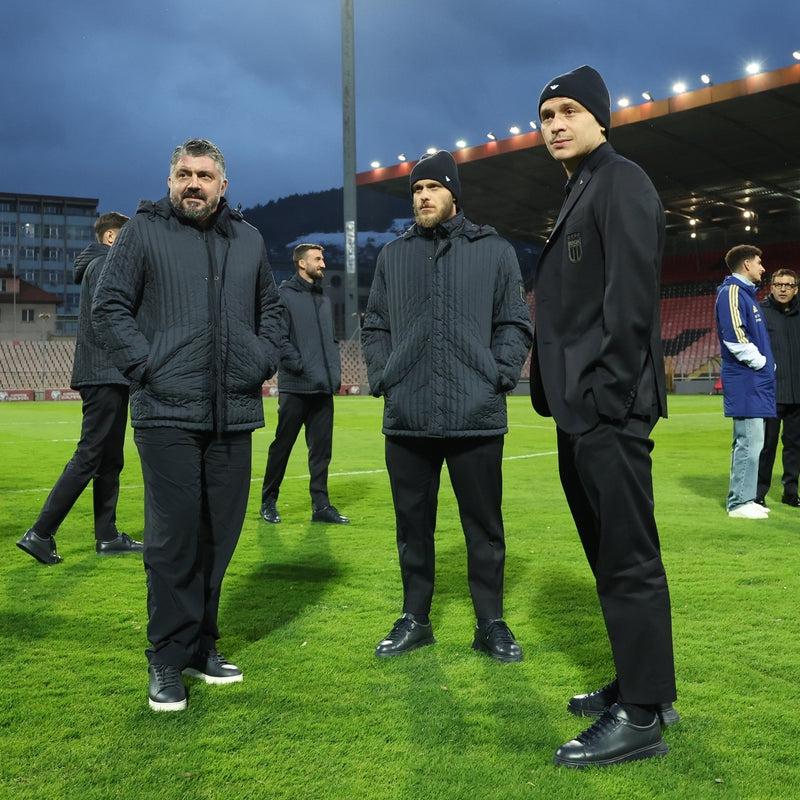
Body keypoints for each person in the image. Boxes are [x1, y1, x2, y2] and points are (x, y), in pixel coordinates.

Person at [93, 138, 282, 712]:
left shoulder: (248, 238)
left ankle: (201, 645)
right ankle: (166, 659)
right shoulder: (143, 233)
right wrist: (148, 366)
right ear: (169, 180)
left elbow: (270, 309)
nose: (193, 183)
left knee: (218, 538)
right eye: (183, 174)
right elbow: (109, 308)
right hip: (167, 412)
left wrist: (260, 358)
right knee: (174, 541)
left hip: (234, 413)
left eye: (204, 175)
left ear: (223, 185)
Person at [531, 66, 677, 767]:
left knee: (629, 559)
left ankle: (643, 716)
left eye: (566, 111)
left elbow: (630, 301)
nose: (554, 124)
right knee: (608, 556)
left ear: (600, 119)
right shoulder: (581, 188)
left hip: (605, 411)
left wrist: (604, 399)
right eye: (545, 115)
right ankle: (637, 683)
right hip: (580, 411)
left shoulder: (623, 181)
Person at [362, 149, 532, 663]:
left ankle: (490, 623)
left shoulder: (495, 251)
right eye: (416, 190)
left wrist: (498, 374)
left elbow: (514, 322)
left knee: (484, 528)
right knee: (412, 527)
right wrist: (384, 374)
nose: (422, 197)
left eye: (432, 188)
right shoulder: (393, 256)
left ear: (453, 194)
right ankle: (415, 619)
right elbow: (374, 325)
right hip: (408, 416)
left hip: (474, 413)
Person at [16, 212, 141, 565]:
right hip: (104, 372)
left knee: (109, 459)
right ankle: (40, 533)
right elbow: (112, 318)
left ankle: (107, 536)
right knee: (90, 455)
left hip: (108, 373)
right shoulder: (104, 268)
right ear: (113, 238)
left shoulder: (98, 266)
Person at [259, 243, 349, 526]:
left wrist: (333, 375)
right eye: (318, 259)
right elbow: (279, 339)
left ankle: (321, 505)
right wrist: (299, 366)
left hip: (322, 387)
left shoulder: (323, 299)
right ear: (301, 263)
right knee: (282, 446)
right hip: (296, 386)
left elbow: (330, 342)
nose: (323, 264)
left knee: (322, 451)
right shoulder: (284, 296)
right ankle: (268, 500)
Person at [715, 245, 777, 519]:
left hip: (755, 381)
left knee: (754, 442)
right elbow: (734, 336)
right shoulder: (731, 292)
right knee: (748, 441)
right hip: (746, 380)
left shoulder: (747, 295)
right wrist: (762, 363)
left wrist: (767, 365)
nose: (763, 268)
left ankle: (746, 497)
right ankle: (739, 502)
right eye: (759, 263)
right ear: (747, 265)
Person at [756, 268, 800, 508]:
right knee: (767, 445)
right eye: (779, 284)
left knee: (795, 445)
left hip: (798, 394)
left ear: (796, 289)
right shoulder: (761, 313)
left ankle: (791, 492)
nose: (783, 289)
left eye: (788, 285)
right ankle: (759, 492)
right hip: (771, 393)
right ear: (771, 287)